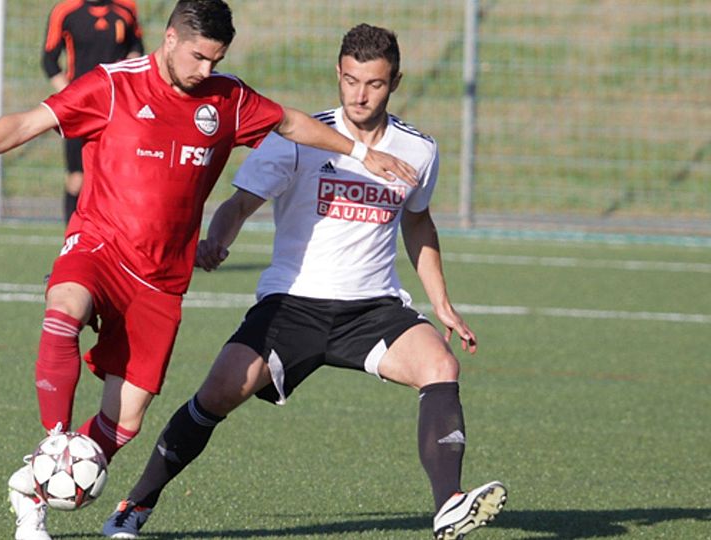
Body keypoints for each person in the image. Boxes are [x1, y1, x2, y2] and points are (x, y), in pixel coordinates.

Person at [0, 2, 417, 540]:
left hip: (162, 280)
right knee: (64, 309)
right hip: (100, 245)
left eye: (216, 60)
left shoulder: (227, 98)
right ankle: (53, 439)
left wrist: (360, 151)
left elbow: (290, 122)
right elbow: (27, 123)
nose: (205, 71)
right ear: (169, 39)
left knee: (124, 422)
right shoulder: (113, 86)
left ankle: (31, 486)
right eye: (197, 57)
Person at [102, 23, 505, 540]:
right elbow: (240, 201)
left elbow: (418, 222)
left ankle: (448, 503)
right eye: (351, 80)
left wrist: (441, 304)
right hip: (292, 305)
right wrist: (218, 240)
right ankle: (135, 504)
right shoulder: (300, 139)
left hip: (373, 308)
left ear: (395, 82)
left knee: (440, 366)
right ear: (338, 74)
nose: (360, 95)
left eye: (374, 84)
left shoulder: (419, 151)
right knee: (216, 394)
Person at [42, 0, 145, 223]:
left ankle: (116, 238)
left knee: (118, 177)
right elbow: (49, 60)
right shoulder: (65, 11)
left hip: (117, 107)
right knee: (77, 178)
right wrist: (74, 98)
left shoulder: (126, 8)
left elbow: (137, 47)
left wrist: (127, 73)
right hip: (81, 111)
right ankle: (71, 237)